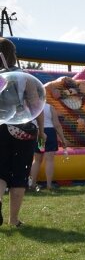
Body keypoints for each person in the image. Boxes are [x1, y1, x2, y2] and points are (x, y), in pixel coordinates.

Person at [0, 37, 46, 228]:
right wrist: (42, 130)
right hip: (21, 127)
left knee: (0, 171)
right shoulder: (24, 77)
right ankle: (14, 219)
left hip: (0, 126)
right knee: (19, 173)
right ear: (13, 54)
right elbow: (36, 105)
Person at [29, 101, 71, 192]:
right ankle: (49, 185)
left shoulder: (32, 107)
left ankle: (32, 184)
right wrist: (62, 138)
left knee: (37, 160)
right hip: (50, 132)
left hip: (39, 133)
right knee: (49, 159)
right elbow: (57, 124)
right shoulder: (49, 107)